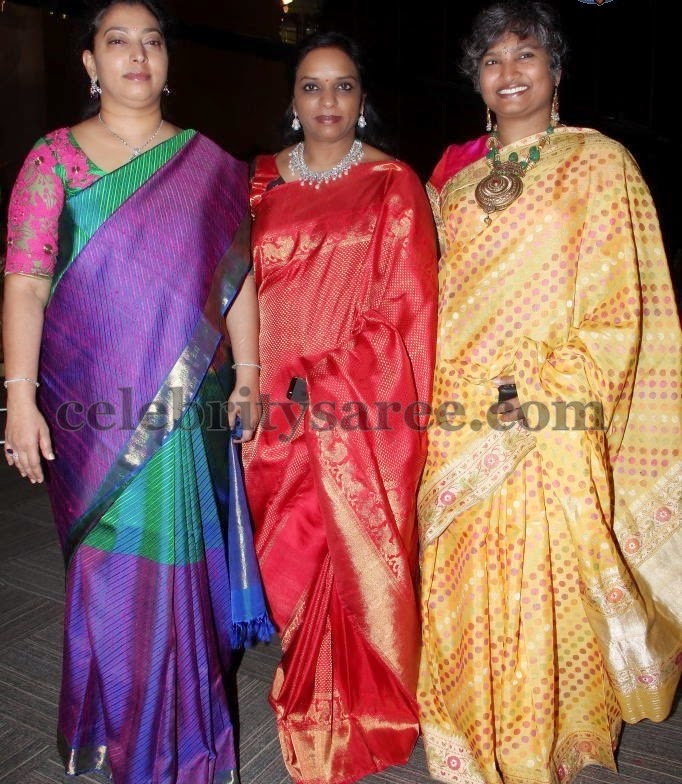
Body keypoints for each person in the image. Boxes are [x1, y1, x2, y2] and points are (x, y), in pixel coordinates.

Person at [2, 1, 272, 781]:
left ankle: (190, 744)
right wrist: (19, 397)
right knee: (113, 570)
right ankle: (123, 735)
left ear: (167, 60)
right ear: (90, 62)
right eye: (117, 41)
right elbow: (25, 283)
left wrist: (250, 375)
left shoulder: (206, 164)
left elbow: (235, 279)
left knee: (187, 568)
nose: (137, 55)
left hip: (190, 404)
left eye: (152, 41)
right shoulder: (53, 160)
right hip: (93, 411)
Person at [418, 2, 682, 783]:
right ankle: (471, 739)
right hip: (459, 416)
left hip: (547, 415)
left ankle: (544, 746)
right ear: (477, 80)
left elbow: (625, 301)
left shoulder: (601, 165)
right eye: (491, 59)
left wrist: (537, 391)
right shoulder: (456, 187)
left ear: (556, 70)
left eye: (525, 54)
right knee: (463, 583)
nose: (509, 72)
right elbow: (437, 301)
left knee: (543, 584)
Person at [242, 31, 438, 784]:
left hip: (350, 409)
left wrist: (324, 384)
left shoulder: (393, 184)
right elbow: (233, 289)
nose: (328, 100)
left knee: (343, 556)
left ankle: (347, 708)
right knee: (284, 560)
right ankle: (307, 671)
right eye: (312, 86)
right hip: (269, 407)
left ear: (363, 99)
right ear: (293, 101)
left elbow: (406, 308)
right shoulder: (259, 182)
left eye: (343, 86)